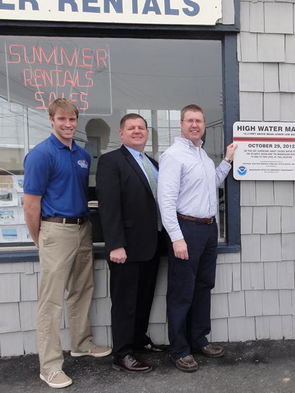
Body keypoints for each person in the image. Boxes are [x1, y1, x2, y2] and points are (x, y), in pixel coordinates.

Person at [23, 98, 111, 389]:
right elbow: (30, 204)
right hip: (54, 230)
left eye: (72, 119)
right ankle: (49, 366)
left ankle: (81, 343)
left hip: (82, 227)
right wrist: (40, 237)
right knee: (50, 301)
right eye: (62, 119)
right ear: (51, 120)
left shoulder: (83, 155)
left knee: (82, 288)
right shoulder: (41, 154)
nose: (68, 124)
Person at [158, 104, 237, 373]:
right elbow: (166, 202)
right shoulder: (174, 155)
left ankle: (198, 338)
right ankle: (180, 349)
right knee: (182, 292)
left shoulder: (202, 155)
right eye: (190, 120)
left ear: (204, 125)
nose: (195, 125)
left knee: (203, 286)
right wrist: (177, 238)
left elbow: (210, 183)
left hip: (207, 229)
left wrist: (226, 161)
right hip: (186, 229)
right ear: (181, 124)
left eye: (199, 121)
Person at [96, 113, 169, 374]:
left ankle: (138, 340)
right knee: (126, 301)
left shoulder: (153, 163)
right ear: (121, 133)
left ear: (147, 133)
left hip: (151, 244)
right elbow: (109, 206)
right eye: (132, 128)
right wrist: (115, 244)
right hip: (125, 247)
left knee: (144, 298)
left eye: (141, 127)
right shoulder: (111, 161)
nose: (137, 131)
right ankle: (122, 353)